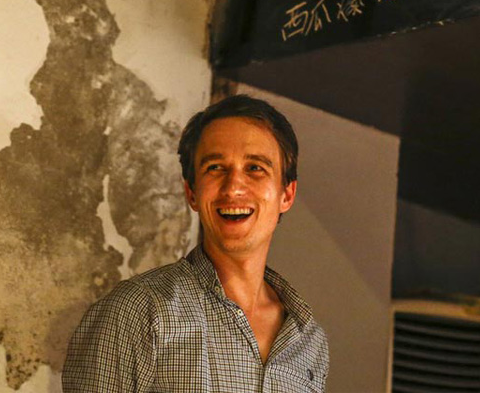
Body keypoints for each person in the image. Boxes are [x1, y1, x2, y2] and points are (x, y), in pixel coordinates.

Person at [62, 94, 329, 392]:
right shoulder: (136, 310)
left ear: (286, 195)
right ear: (191, 193)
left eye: (255, 168)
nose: (233, 188)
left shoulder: (309, 340)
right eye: (215, 168)